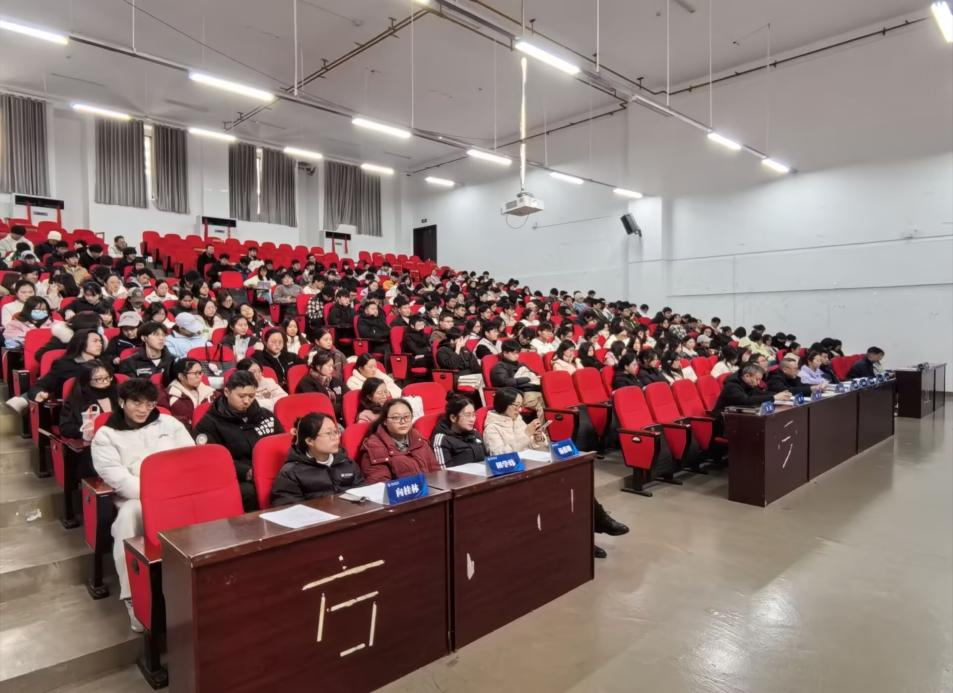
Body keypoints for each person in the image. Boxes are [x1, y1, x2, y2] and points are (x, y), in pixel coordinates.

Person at [91, 378, 195, 631]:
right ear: (122, 402)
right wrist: (156, 494)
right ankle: (133, 596)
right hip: (134, 498)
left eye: (148, 404)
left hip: (176, 491)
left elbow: (189, 456)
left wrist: (173, 488)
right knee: (128, 518)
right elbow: (119, 479)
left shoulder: (168, 424)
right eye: (136, 403)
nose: (143, 409)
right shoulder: (106, 435)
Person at [194, 370, 284, 511]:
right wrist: (246, 472)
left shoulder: (265, 415)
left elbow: (282, 444)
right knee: (250, 492)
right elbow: (212, 461)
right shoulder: (208, 424)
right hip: (238, 478)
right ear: (227, 392)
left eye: (251, 396)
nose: (247, 401)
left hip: (272, 470)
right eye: (241, 396)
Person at [270, 412, 365, 507]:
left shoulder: (346, 462)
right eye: (329, 433)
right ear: (309, 441)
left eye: (336, 432)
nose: (336, 437)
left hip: (351, 514)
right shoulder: (291, 473)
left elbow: (363, 495)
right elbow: (289, 510)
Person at [357, 399, 440, 483]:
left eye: (407, 417)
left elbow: (436, 471)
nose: (403, 421)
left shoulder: (419, 439)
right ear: (385, 421)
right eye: (396, 418)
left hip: (432, 489)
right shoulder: (374, 448)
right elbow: (381, 486)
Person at [59, 361, 118, 441]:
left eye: (107, 377)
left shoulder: (118, 392)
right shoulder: (77, 398)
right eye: (99, 379)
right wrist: (83, 432)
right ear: (86, 380)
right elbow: (65, 427)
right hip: (94, 442)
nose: (105, 382)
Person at [712, 364, 793, 423]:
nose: (758, 383)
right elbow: (746, 401)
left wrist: (778, 394)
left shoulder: (747, 384)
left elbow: (759, 394)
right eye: (757, 379)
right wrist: (774, 397)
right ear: (747, 376)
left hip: (740, 417)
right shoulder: (732, 386)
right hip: (725, 421)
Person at [483, 387, 549, 456]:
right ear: (503, 404)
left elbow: (528, 445)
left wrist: (537, 439)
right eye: (516, 405)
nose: (520, 410)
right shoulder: (492, 428)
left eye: (521, 406)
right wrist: (526, 435)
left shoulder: (518, 420)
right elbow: (498, 455)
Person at [432, 396, 486, 468]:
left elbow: (488, 460)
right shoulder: (442, 440)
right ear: (453, 418)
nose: (472, 419)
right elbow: (444, 472)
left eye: (473, 415)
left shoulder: (475, 434)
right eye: (468, 415)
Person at [165, 358, 215, 429]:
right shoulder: (169, 396)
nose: (199, 376)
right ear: (181, 376)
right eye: (195, 373)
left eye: (200, 373)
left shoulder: (211, 393)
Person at [295, 352, 344, 417]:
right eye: (329, 366)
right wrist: (343, 407)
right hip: (320, 418)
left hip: (340, 415)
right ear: (318, 367)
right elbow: (319, 406)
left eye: (332, 366)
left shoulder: (334, 380)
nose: (332, 369)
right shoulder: (306, 383)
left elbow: (347, 396)